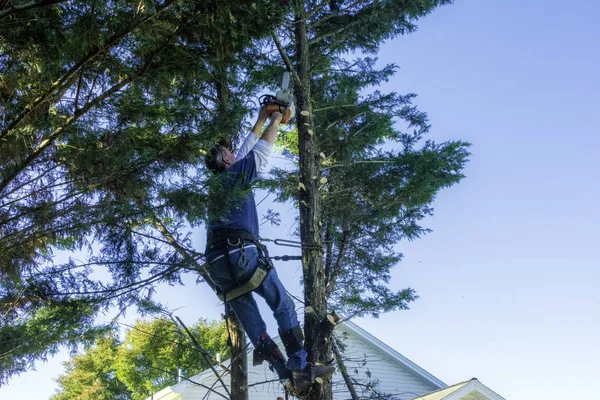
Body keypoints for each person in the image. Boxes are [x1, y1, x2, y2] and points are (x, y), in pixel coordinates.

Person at [203, 106, 333, 393]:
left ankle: (287, 378)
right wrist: (275, 120)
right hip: (241, 255)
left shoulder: (219, 185)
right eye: (230, 151)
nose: (234, 152)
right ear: (226, 158)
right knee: (282, 305)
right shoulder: (234, 176)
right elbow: (258, 154)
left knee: (256, 328)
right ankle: (300, 364)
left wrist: (261, 118)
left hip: (218, 269)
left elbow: (245, 152)